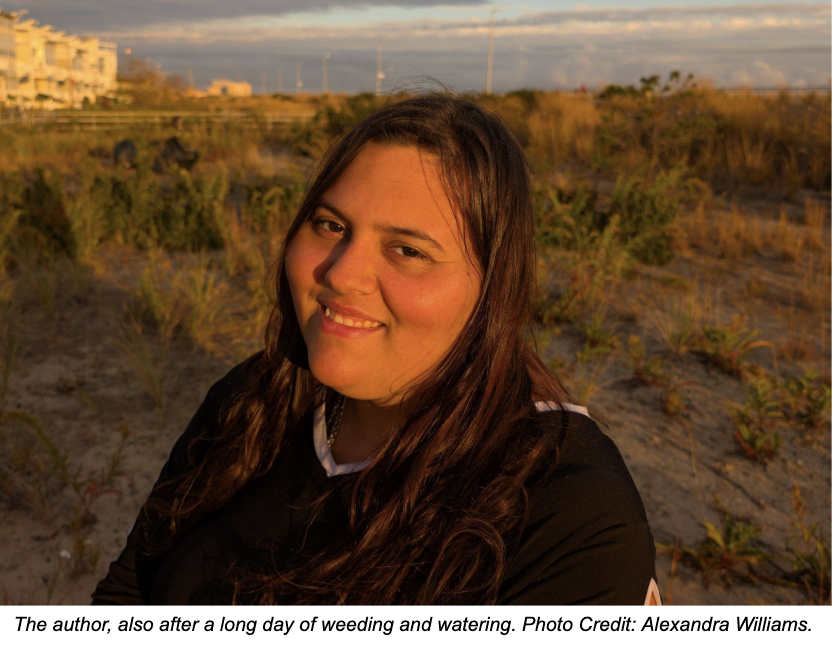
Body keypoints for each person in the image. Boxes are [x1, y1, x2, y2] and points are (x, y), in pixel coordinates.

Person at [92, 92, 660, 606]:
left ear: (494, 289)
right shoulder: (254, 399)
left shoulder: (566, 507)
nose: (342, 274)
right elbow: (132, 587)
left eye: (408, 250)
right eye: (330, 225)